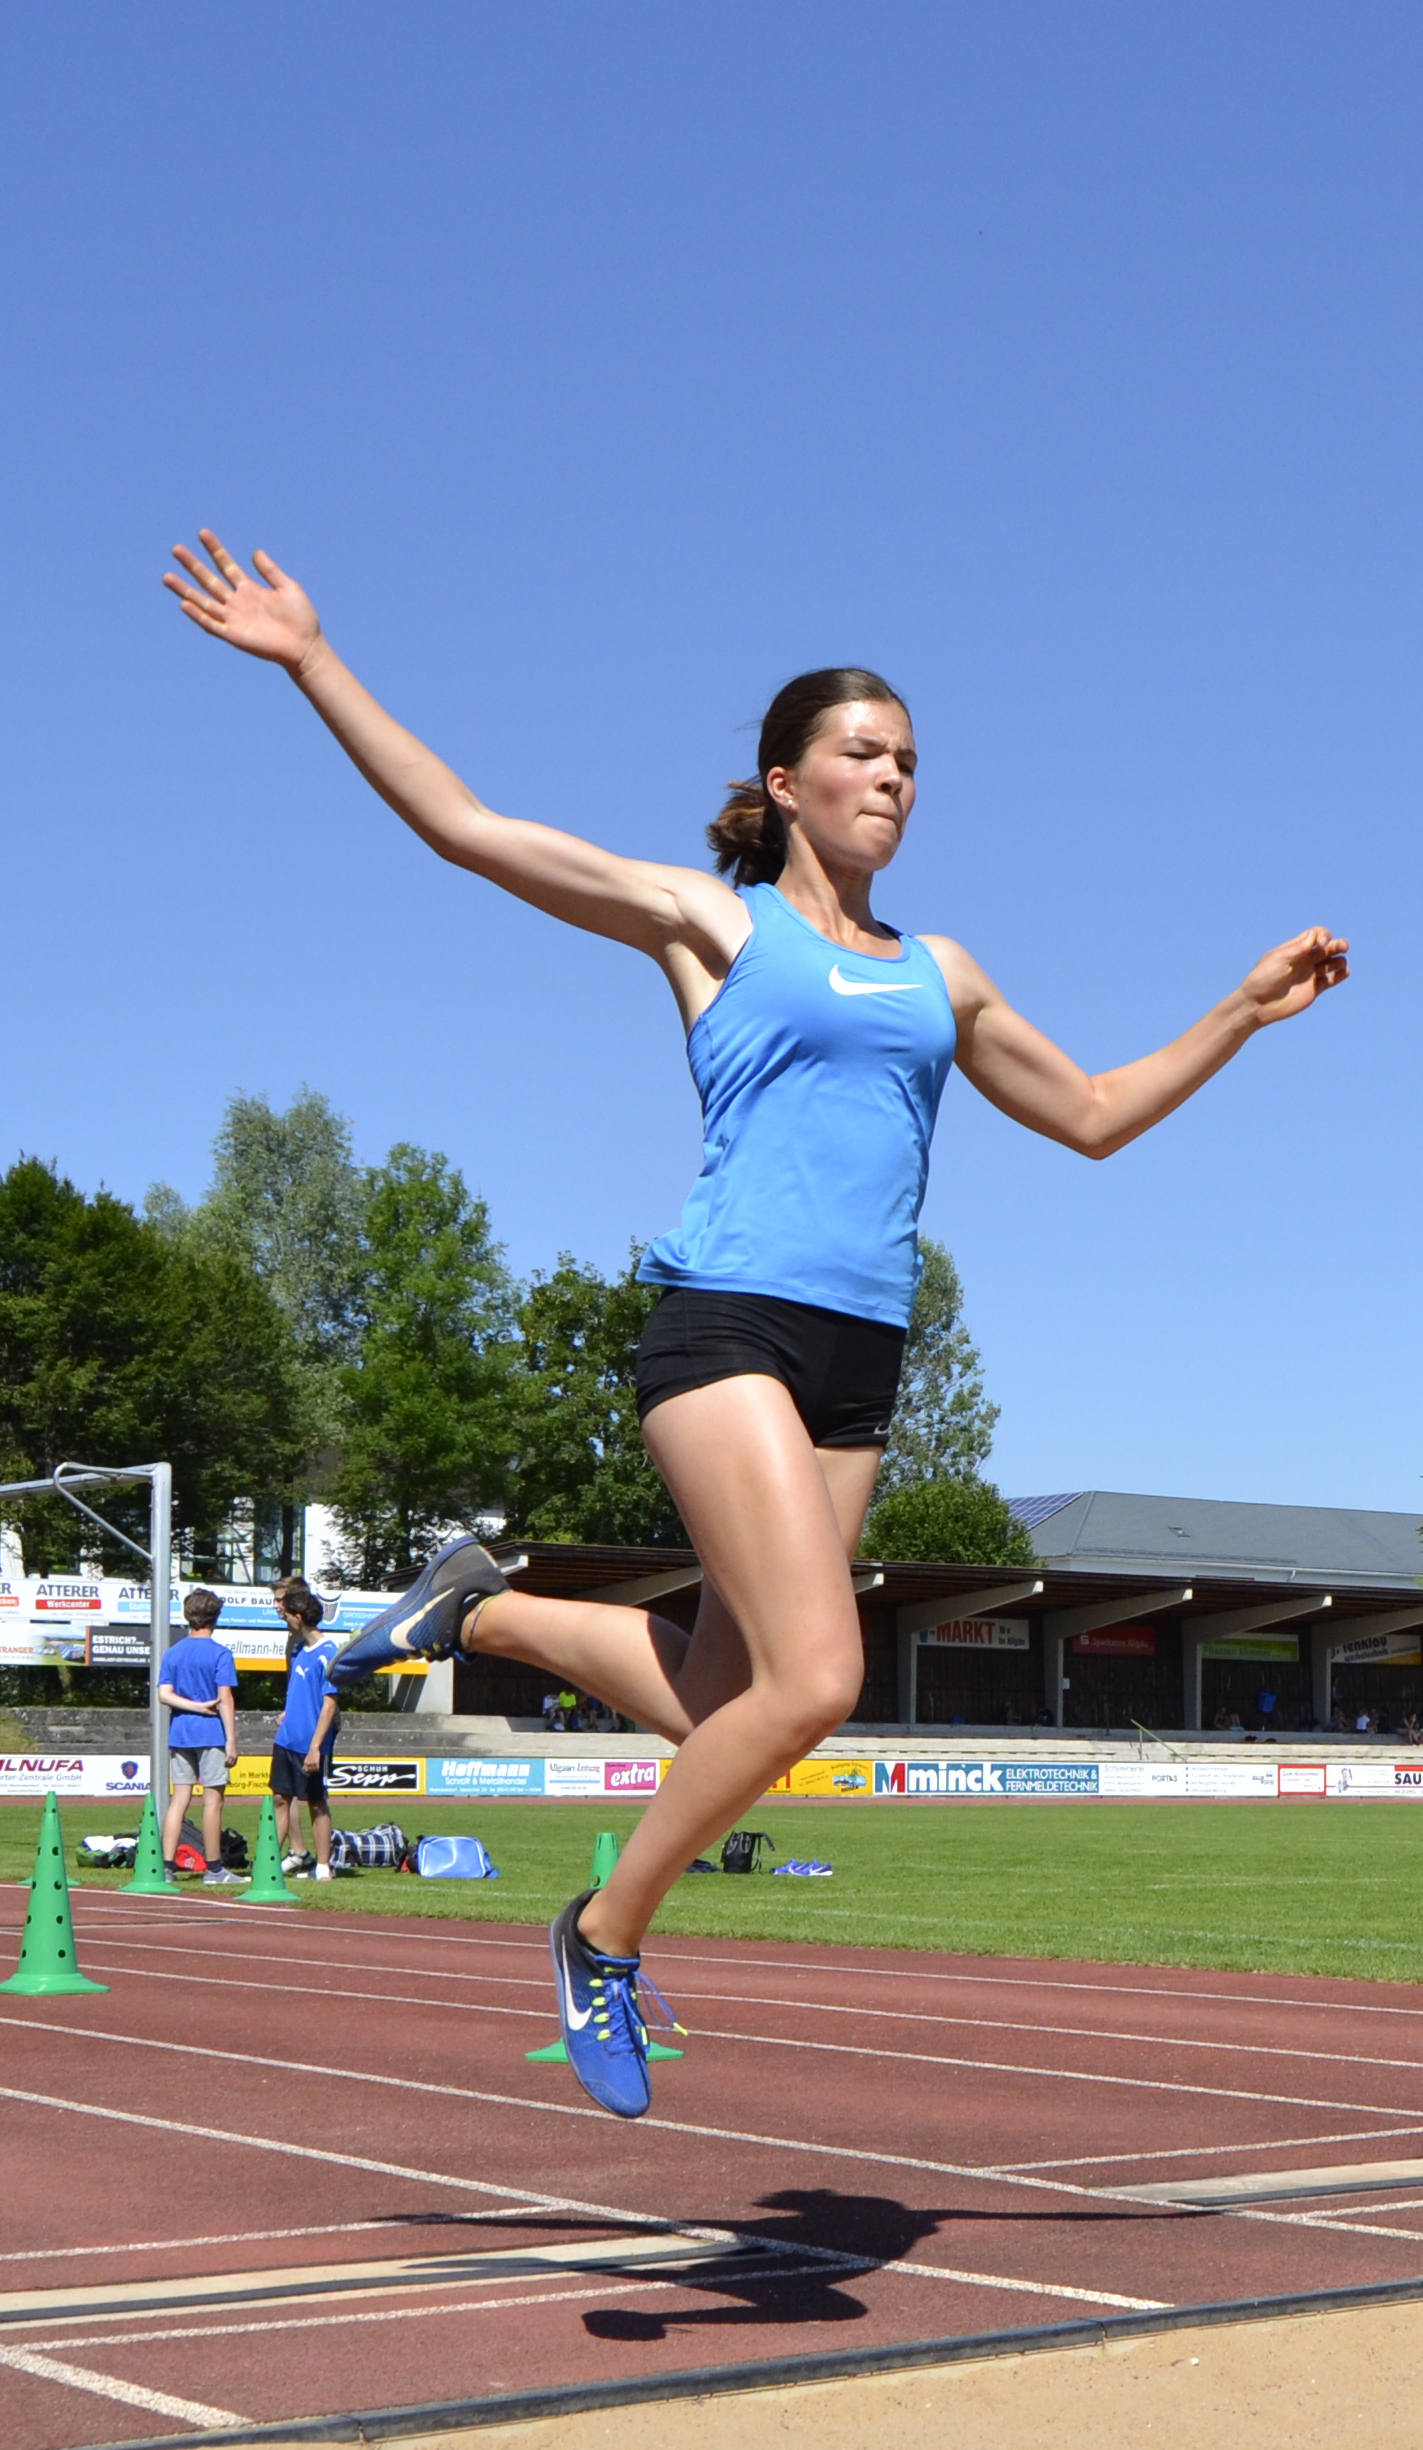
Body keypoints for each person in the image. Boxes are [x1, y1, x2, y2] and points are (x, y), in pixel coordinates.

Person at [175, 543, 1344, 2115]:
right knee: (815, 1687)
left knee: (737, 1711)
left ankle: (479, 1612)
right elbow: (467, 831)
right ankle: (600, 1930)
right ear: (784, 782)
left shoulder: (944, 972)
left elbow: (1090, 1117)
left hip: (861, 1361)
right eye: (865, 753)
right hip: (725, 1324)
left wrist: (1239, 1013)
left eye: (913, 762)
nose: (895, 780)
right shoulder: (706, 924)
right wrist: (313, 658)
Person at [156, 1590, 238, 1877]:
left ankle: (167, 1866)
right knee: (213, 1801)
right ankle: (214, 1869)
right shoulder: (220, 1653)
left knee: (179, 1801)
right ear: (215, 1618)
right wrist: (231, 1740)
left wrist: (192, 1706)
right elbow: (225, 1698)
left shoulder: (173, 1653)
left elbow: (164, 1695)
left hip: (180, 1732)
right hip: (211, 1733)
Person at [270, 1584, 342, 1877]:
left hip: (311, 1744)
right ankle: (270, 1864)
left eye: (287, 1614)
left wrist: (316, 1745)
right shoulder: (298, 1647)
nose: (284, 1617)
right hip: (286, 1739)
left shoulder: (329, 1652)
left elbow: (329, 1704)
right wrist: (288, 1712)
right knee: (279, 1799)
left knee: (315, 1802)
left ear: (298, 1617)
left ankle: (323, 1866)